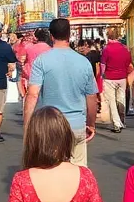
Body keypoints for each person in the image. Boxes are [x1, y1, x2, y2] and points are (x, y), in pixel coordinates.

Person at [25, 17, 100, 166]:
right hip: (77, 124)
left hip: (51, 126)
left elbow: (32, 94)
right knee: (79, 171)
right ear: (69, 34)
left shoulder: (42, 61)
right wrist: (91, 124)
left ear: (51, 36)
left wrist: (28, 126)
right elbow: (91, 97)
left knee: (52, 169)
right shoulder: (83, 61)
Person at [101, 37, 134, 133]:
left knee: (111, 102)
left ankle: (116, 124)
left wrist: (103, 74)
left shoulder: (106, 49)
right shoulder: (125, 48)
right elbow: (128, 62)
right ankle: (122, 120)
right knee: (121, 99)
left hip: (109, 78)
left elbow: (103, 64)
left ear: (109, 38)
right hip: (122, 77)